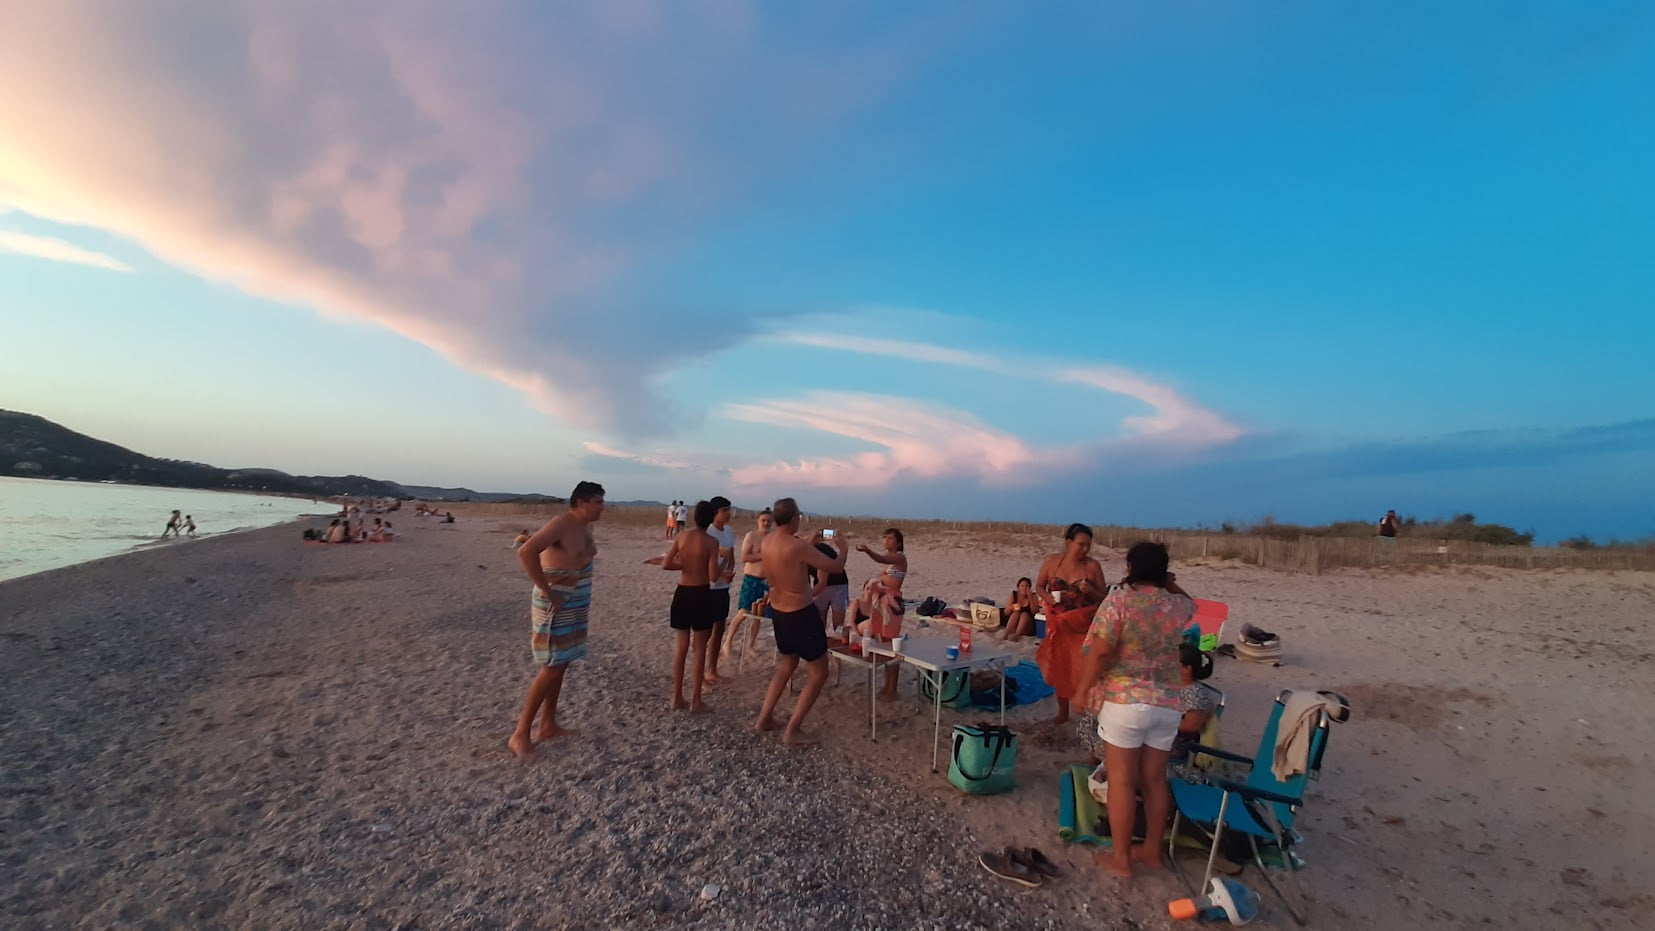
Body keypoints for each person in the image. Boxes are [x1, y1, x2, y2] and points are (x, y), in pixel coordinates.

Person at [1072, 541, 1196, 878]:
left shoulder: (1120, 600)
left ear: (1129, 567)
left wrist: (1082, 691)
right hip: (1167, 702)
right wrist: (1169, 582)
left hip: (1125, 700)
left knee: (1123, 782)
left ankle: (1122, 860)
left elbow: (1099, 652)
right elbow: (1191, 604)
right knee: (1155, 780)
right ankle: (1152, 852)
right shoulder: (1175, 605)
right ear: (1164, 570)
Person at [508, 481, 605, 760]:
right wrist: (548, 591)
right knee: (551, 666)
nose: (603, 507)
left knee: (561, 664)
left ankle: (548, 725)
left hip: (575, 602)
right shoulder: (561, 524)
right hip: (555, 602)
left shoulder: (587, 526)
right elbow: (526, 552)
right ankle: (520, 734)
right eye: (598, 502)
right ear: (582, 502)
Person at [754, 498, 848, 746]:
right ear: (794, 518)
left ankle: (764, 718)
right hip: (800, 613)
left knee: (787, 664)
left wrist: (810, 543)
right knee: (819, 671)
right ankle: (793, 729)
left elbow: (790, 557)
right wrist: (843, 546)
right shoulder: (797, 546)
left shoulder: (768, 541)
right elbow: (836, 566)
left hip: (779, 612)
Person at [1034, 523, 1110, 726]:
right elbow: (1039, 586)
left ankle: (1087, 713)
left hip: (1084, 626)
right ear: (1069, 542)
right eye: (1081, 544)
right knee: (1061, 668)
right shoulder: (1052, 562)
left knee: (1083, 670)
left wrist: (1090, 590)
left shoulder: (1092, 567)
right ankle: (1063, 713)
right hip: (1058, 625)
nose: (1085, 549)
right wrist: (1048, 598)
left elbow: (1104, 598)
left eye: (1088, 545)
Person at [650, 500, 720, 713]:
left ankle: (677, 697)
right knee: (699, 650)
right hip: (701, 593)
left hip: (682, 593)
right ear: (711, 520)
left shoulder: (681, 537)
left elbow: (665, 564)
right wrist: (724, 566)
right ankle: (696, 700)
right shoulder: (711, 542)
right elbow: (713, 576)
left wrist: (685, 564)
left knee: (681, 648)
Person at [847, 528, 907, 700]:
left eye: (890, 538)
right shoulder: (889, 562)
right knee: (883, 642)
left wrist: (867, 551)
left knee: (891, 645)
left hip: (892, 603)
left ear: (899, 543)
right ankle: (887, 686)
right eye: (885, 537)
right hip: (882, 603)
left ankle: (892, 689)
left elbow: (881, 558)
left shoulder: (899, 557)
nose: (886, 541)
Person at [704, 496, 737, 684]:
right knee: (705, 632)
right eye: (724, 510)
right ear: (715, 512)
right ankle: (701, 670)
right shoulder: (708, 532)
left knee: (719, 629)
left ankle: (712, 669)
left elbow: (731, 556)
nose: (728, 514)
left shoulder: (729, 531)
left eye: (729, 509)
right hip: (709, 587)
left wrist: (729, 571)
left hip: (723, 587)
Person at [808, 530, 850, 635]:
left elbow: (823, 583)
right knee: (817, 623)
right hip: (821, 584)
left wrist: (805, 597)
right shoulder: (800, 556)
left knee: (838, 625)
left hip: (838, 585)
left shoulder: (818, 553)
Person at [1001, 577, 1039, 641]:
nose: (1024, 588)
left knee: (1024, 614)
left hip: (1028, 625)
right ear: (1018, 587)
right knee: (1016, 613)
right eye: (1022, 586)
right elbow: (1006, 613)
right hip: (1015, 624)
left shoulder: (1033, 596)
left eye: (1027, 586)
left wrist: (1030, 598)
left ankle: (1017, 635)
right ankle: (1006, 634)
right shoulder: (1014, 595)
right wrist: (1011, 607)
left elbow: (1035, 612)